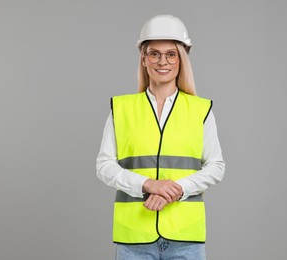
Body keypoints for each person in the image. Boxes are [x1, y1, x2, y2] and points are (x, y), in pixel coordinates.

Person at [96, 14, 225, 260]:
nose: (162, 61)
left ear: (181, 58)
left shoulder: (201, 110)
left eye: (171, 54)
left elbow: (216, 167)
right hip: (134, 237)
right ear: (143, 58)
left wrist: (176, 189)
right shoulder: (121, 108)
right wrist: (148, 185)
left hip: (185, 237)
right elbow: (104, 166)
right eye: (154, 53)